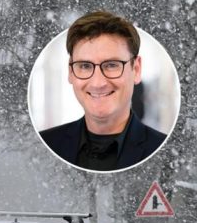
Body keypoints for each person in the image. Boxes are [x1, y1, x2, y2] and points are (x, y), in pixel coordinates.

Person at [39, 11, 167, 171]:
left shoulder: (164, 151)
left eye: (112, 65)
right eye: (85, 66)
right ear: (71, 72)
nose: (98, 83)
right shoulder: (44, 145)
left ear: (136, 69)